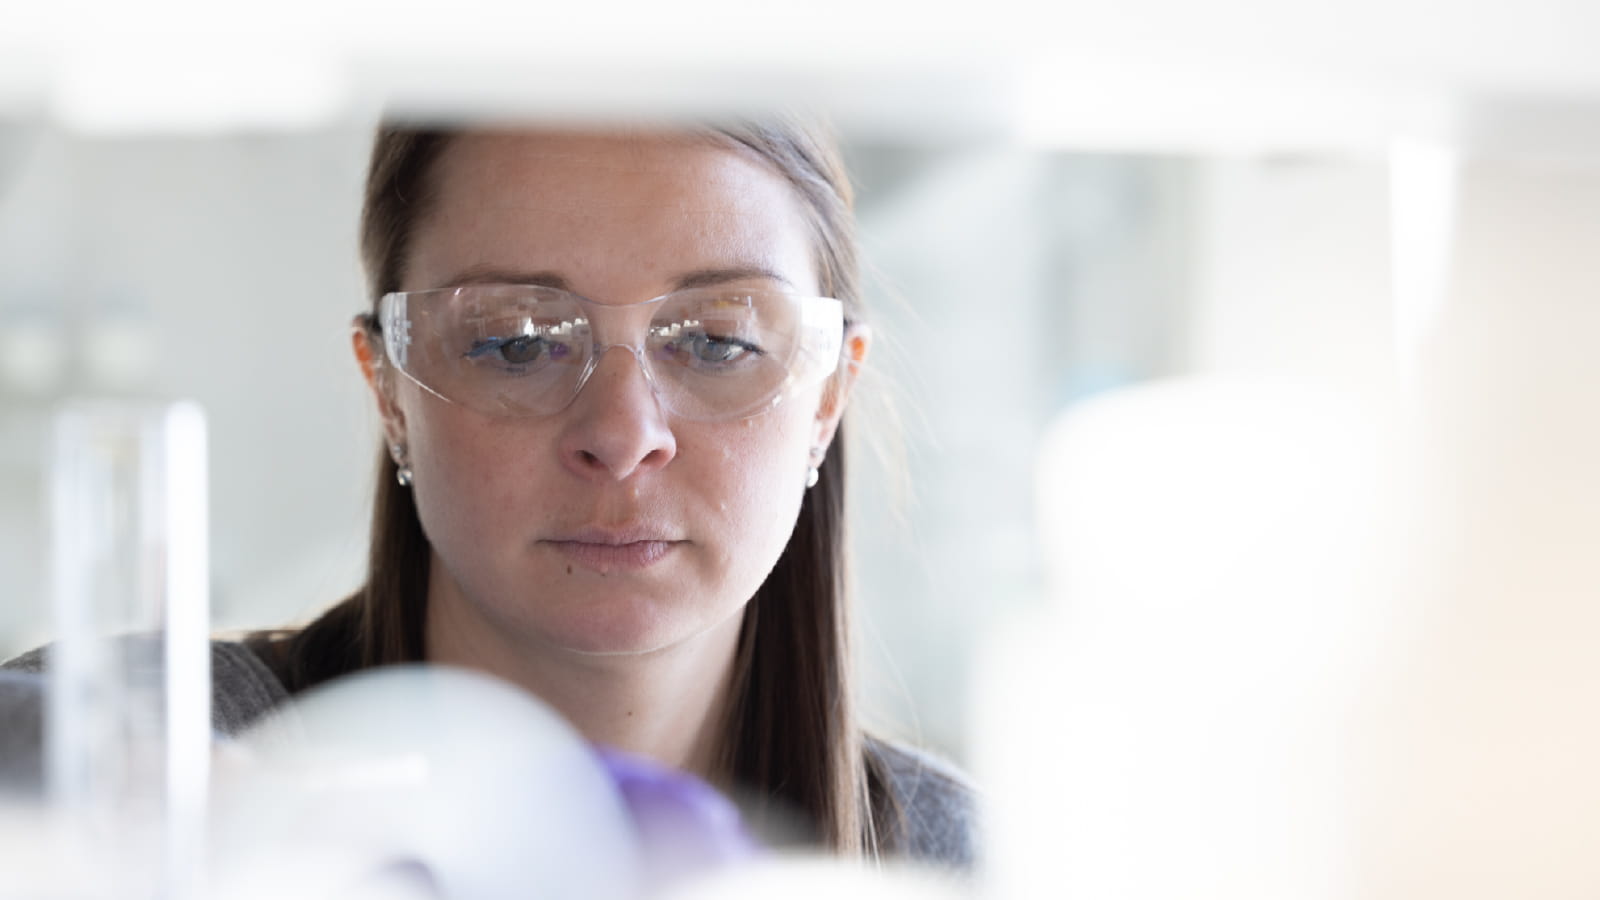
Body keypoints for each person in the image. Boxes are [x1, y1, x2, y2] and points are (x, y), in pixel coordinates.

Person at [7, 118, 976, 869]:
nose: (623, 435)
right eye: (517, 340)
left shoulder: (953, 862)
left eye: (718, 341)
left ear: (826, 398)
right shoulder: (151, 752)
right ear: (388, 390)